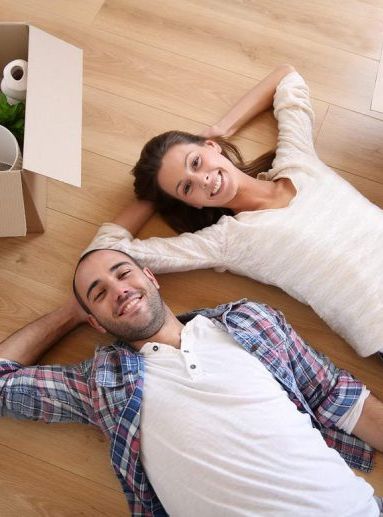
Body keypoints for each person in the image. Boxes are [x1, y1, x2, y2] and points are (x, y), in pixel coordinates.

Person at [0, 247, 382, 516]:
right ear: (96, 322)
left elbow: (344, 400)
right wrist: (70, 313)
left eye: (123, 273)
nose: (118, 290)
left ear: (150, 276)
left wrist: (86, 300)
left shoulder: (250, 320)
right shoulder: (100, 384)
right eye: (98, 294)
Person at [84, 64, 383, 359]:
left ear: (213, 148)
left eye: (196, 162)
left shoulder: (298, 160)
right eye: (186, 188)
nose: (202, 179)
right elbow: (104, 251)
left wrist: (220, 129)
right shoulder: (228, 241)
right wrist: (156, 195)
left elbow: (286, 77)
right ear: (193, 204)